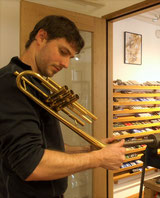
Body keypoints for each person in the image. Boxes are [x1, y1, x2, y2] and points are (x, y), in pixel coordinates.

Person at [0, 15, 126, 198]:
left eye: (70, 57)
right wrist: (99, 158)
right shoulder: (11, 84)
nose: (66, 64)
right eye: (62, 51)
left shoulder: (36, 83)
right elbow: (32, 164)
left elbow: (45, 146)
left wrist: (89, 149)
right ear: (41, 37)